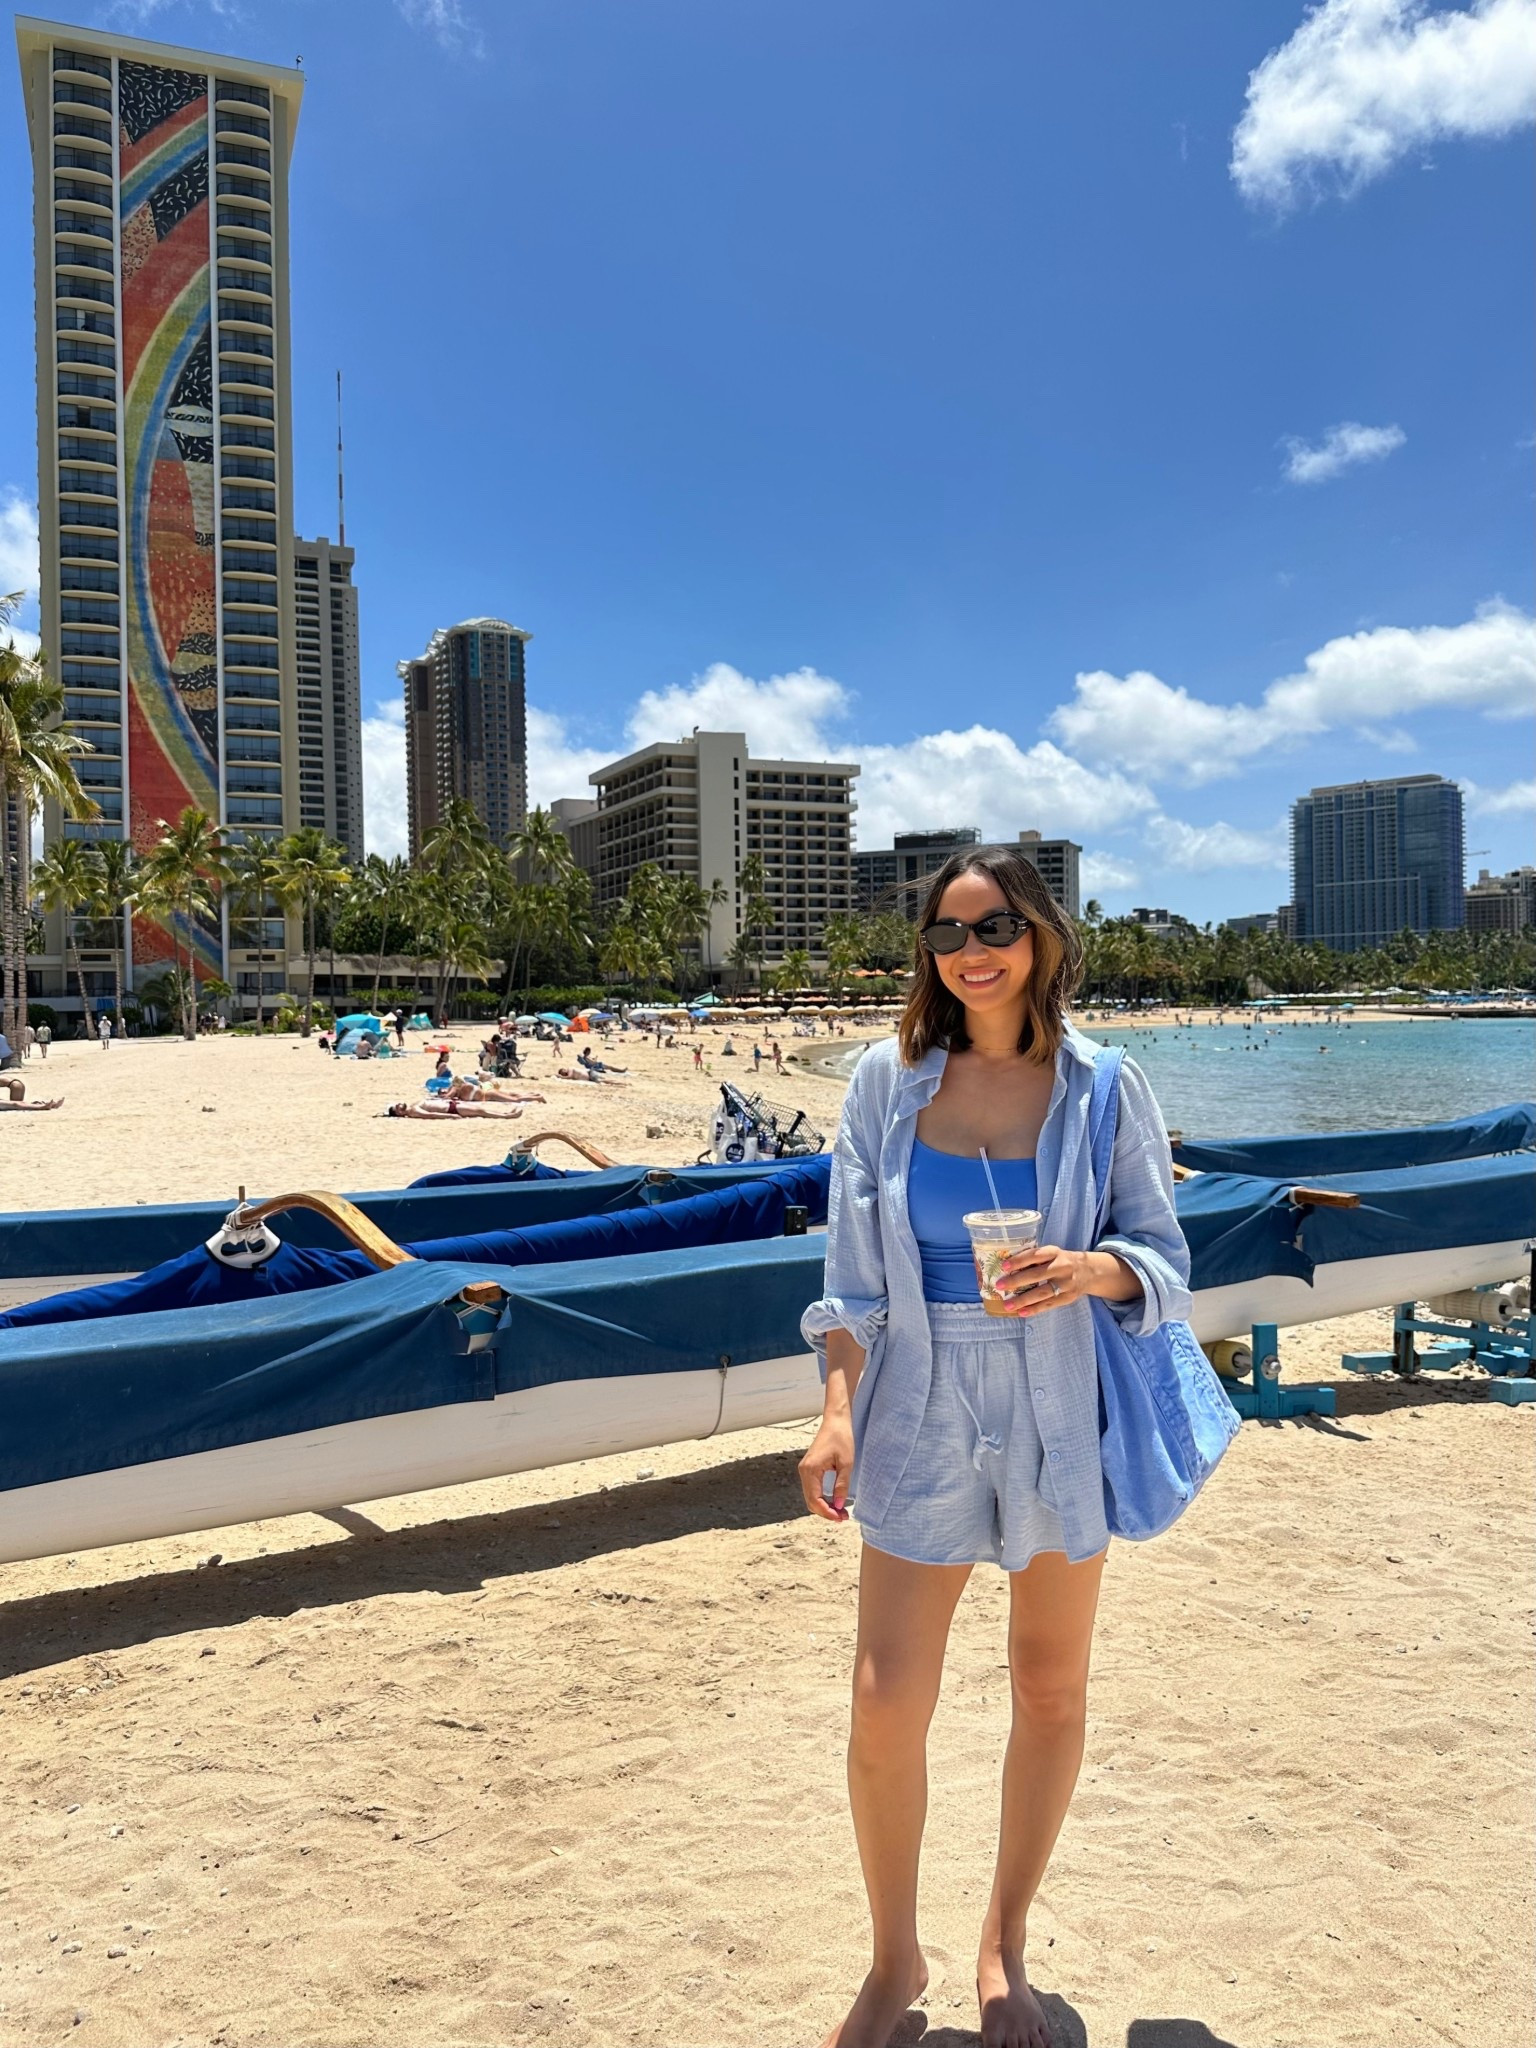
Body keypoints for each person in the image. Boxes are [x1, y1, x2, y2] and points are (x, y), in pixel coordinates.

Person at [797, 843, 1190, 2048]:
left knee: (1049, 1684)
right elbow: (854, 1280)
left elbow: (1166, 1259)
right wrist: (836, 1406)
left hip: (1059, 1396)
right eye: (951, 934)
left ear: (1043, 939)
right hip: (918, 1404)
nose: (974, 953)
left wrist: (1086, 1268)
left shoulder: (1105, 1086)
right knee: (882, 1703)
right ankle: (891, 1954)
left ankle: (1002, 1946)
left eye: (998, 927)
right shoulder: (885, 1080)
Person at [383, 1099, 527, 1120]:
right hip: (452, 1110)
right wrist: (450, 1117)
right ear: (399, 1113)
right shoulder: (413, 1112)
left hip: (452, 1104)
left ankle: (507, 1114)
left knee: (480, 1109)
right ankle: (507, 1116)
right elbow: (432, 1114)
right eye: (397, 1107)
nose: (399, 1105)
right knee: (480, 1112)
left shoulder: (412, 1106)